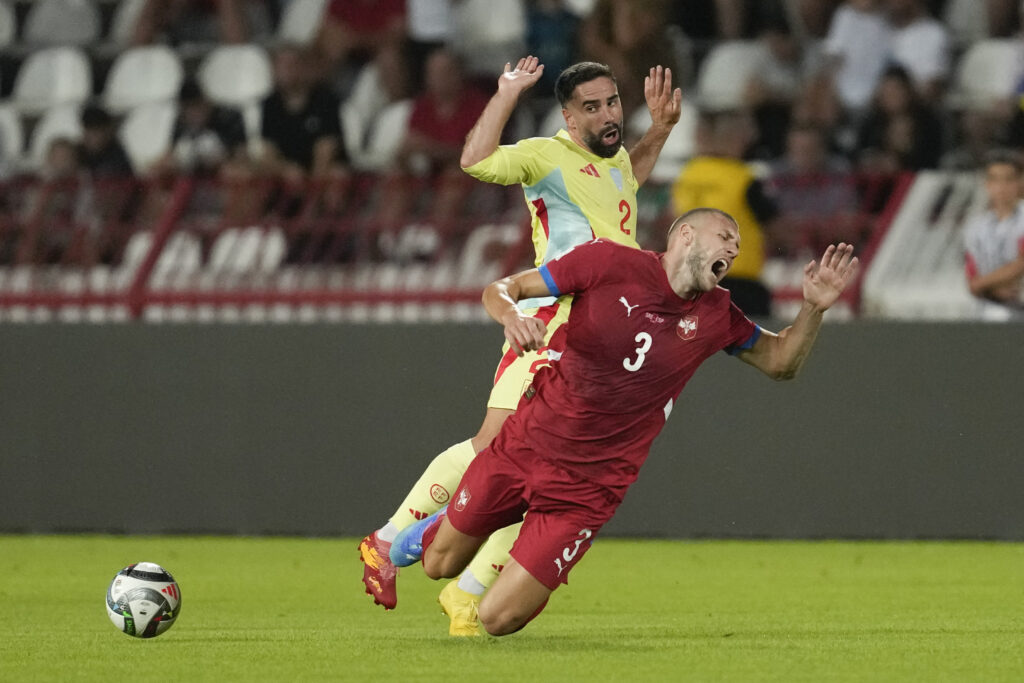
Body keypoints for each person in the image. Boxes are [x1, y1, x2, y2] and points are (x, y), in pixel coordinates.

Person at [388, 208, 859, 636]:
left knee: (496, 620)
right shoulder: (607, 263)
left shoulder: (718, 314)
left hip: (589, 490)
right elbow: (503, 288)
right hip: (523, 447)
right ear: (687, 236)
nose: (734, 249)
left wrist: (813, 308)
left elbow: (781, 361)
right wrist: (512, 317)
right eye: (725, 237)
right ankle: (438, 528)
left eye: (737, 245)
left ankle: (513, 563)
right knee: (437, 565)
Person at [358, 56, 682, 634]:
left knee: (543, 474)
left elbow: (629, 177)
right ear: (567, 115)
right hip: (548, 320)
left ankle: (469, 591)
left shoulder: (612, 164)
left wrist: (658, 128)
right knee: (496, 448)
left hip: (596, 338)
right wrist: (506, 92)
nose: (609, 114)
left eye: (612, 102)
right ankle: (386, 543)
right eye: (593, 107)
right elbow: (475, 160)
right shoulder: (546, 156)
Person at [670, 110, 777, 316]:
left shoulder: (687, 175)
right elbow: (776, 226)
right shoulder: (743, 178)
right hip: (740, 281)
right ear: (734, 139)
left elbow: (669, 219)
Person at [963, 150, 1024, 312]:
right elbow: (971, 278)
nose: (1002, 187)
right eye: (995, 179)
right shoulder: (976, 227)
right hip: (987, 310)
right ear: (987, 184)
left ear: (1019, 182)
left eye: (1008, 179)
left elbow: (1021, 264)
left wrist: (982, 284)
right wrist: (992, 289)